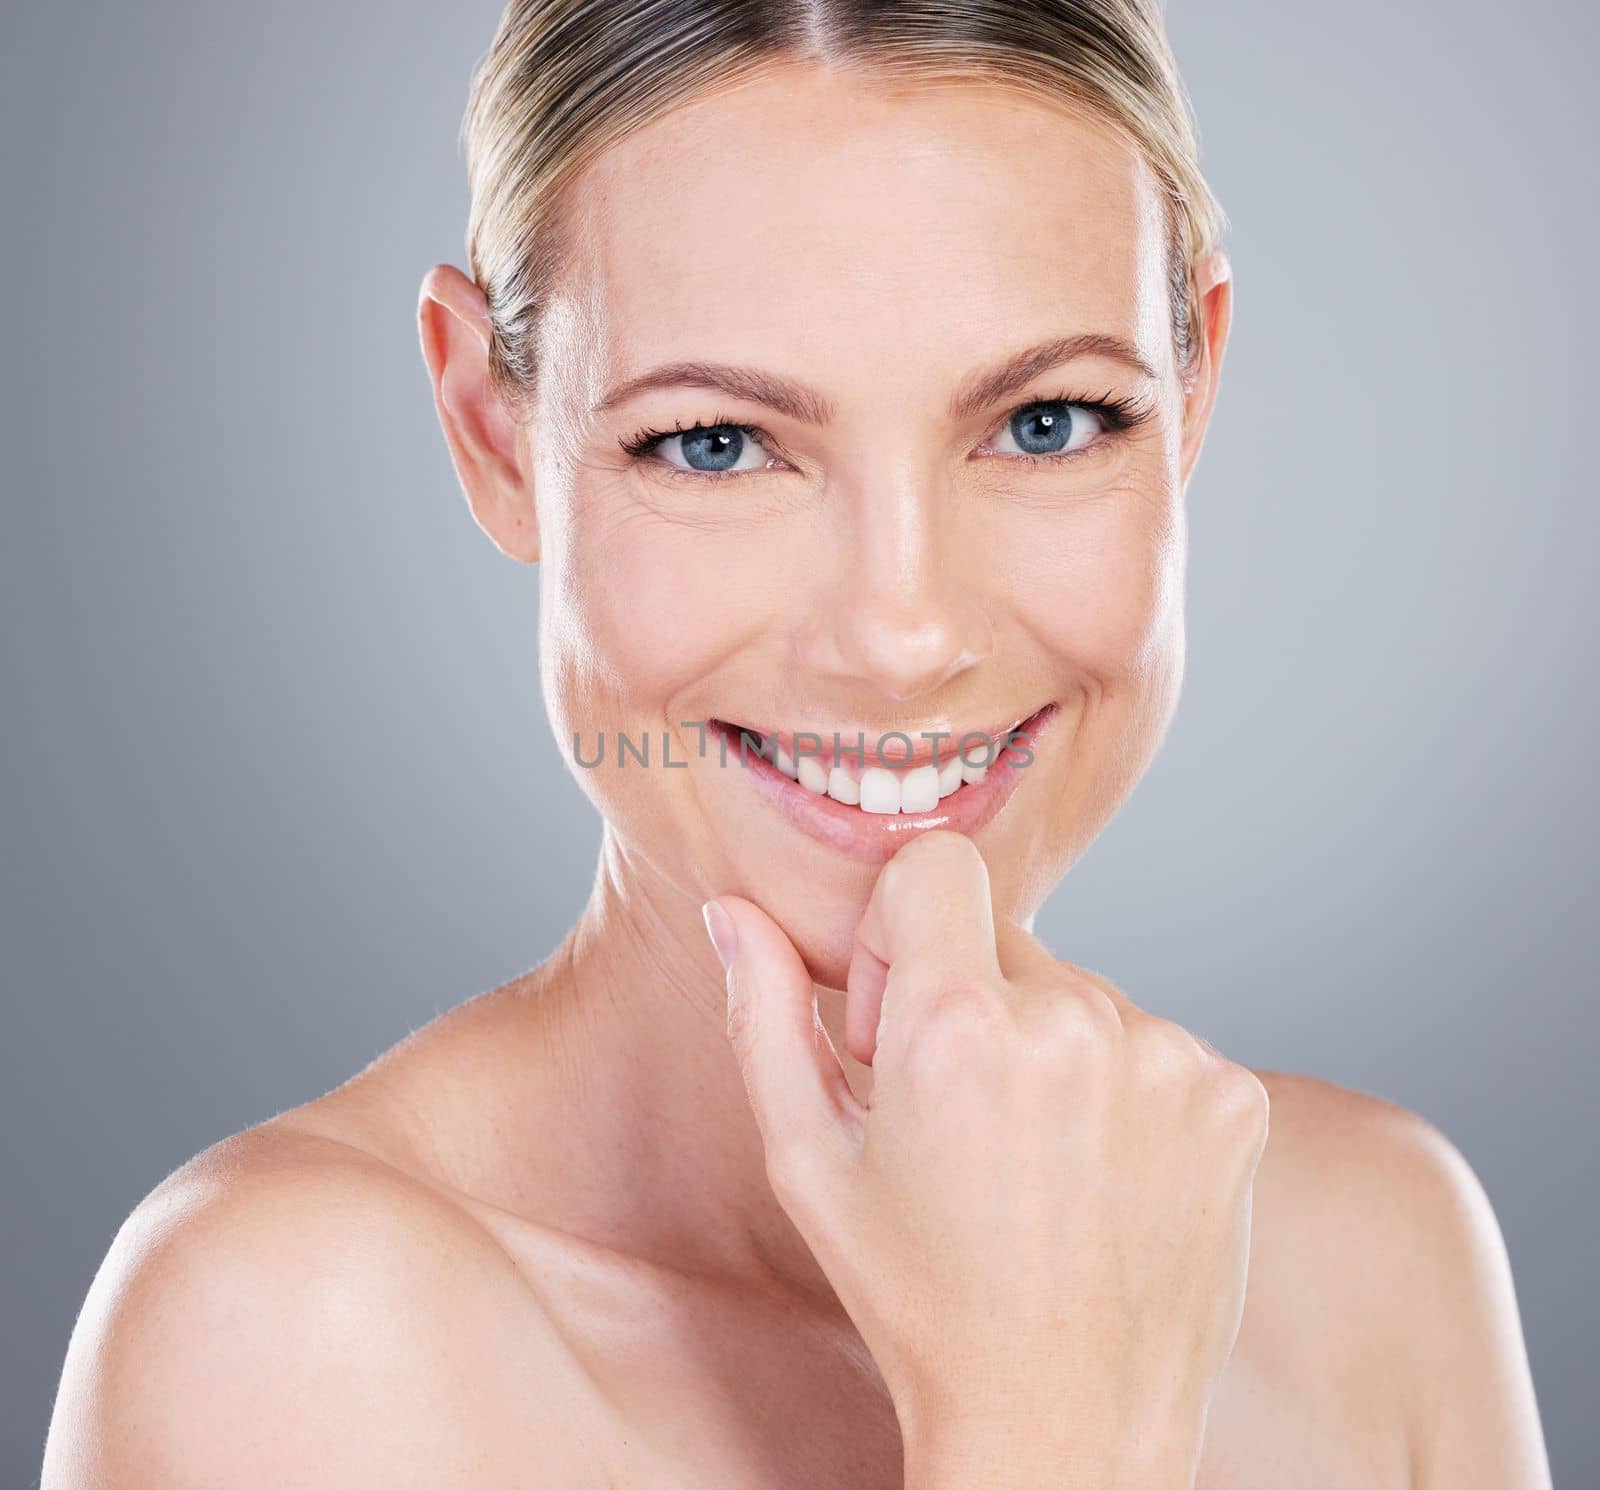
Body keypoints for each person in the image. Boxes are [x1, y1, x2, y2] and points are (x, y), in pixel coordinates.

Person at [41, 3, 1552, 1486]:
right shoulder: (289, 1337)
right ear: (494, 432)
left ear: (1196, 388)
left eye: (1048, 423)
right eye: (716, 442)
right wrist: (1047, 1433)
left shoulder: (1379, 1253)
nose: (900, 633)